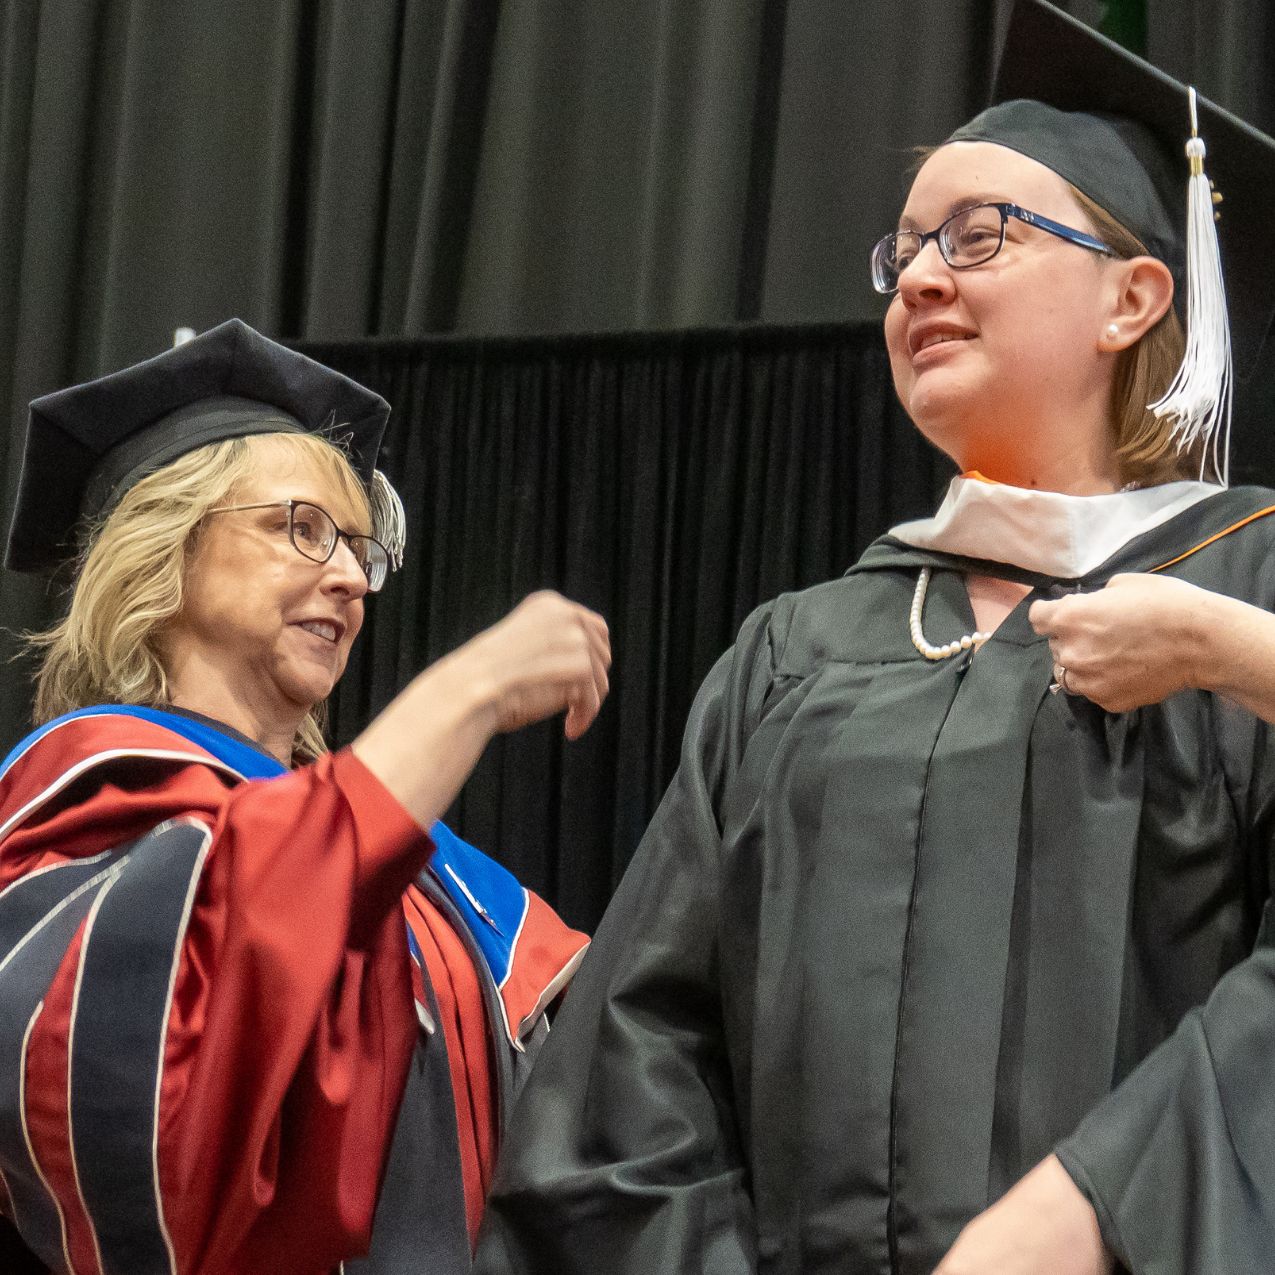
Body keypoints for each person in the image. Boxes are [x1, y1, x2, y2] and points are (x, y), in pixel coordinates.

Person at [473, 3, 1275, 1273]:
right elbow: (634, 1056)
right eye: (901, 251)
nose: (919, 278)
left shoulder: (1249, 583)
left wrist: (1098, 1212)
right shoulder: (798, 649)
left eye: (980, 236)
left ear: (1133, 298)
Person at [0, 318, 610, 1275]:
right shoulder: (82, 792)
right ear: (167, 546)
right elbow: (142, 1116)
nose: (348, 579)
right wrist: (463, 694)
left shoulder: (437, 880)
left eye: (359, 550)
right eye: (304, 528)